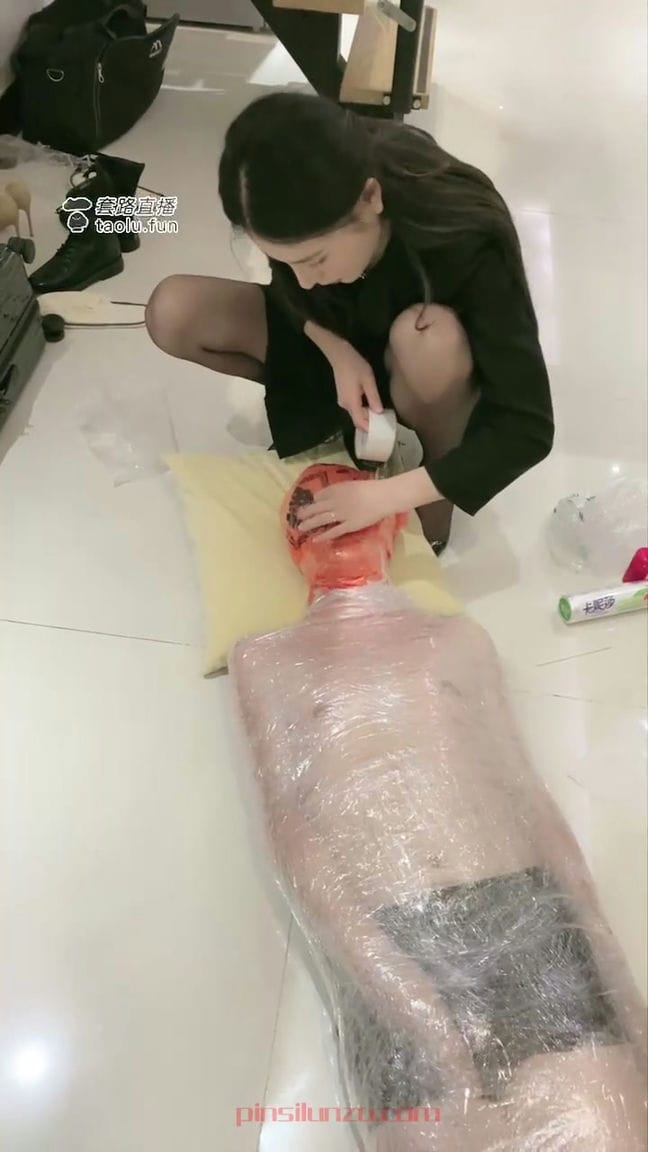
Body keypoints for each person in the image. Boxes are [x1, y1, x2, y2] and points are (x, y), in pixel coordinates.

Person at [230, 463, 647, 1151]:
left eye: (346, 496)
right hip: (385, 930)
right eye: (307, 506)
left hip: (520, 911)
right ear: (293, 543)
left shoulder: (459, 638)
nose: (328, 512)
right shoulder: (265, 658)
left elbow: (526, 791)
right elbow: (289, 827)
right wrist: (391, 979)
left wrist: (600, 951)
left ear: (394, 523)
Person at [145, 92, 555, 554]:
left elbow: (527, 428)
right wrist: (333, 347)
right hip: (337, 329)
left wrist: (384, 497)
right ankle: (336, 423)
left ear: (370, 199)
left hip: (421, 370)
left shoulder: (462, 228)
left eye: (315, 258)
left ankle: (432, 482)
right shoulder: (300, 186)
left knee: (427, 335)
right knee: (173, 310)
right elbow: (293, 286)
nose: (303, 279)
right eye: (285, 260)